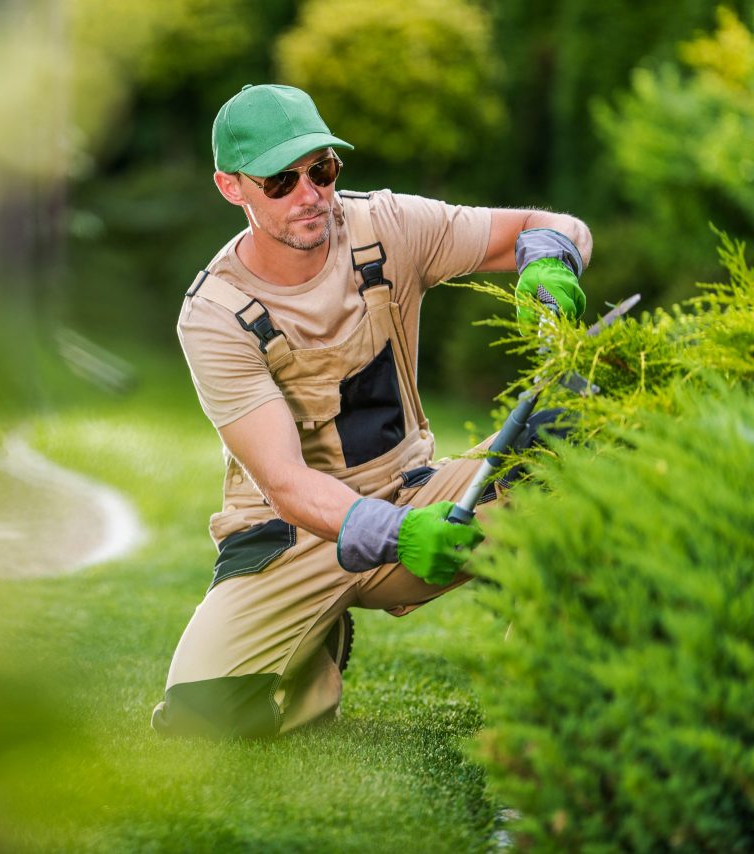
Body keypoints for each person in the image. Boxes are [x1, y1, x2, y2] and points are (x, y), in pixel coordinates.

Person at [150, 84, 591, 739]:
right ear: (231, 187)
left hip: (419, 492)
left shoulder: (387, 226)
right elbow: (286, 484)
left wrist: (549, 264)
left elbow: (554, 225)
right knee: (203, 720)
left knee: (576, 442)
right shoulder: (215, 314)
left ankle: (544, 689)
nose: (310, 194)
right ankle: (315, 643)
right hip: (290, 535)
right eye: (280, 180)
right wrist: (400, 536)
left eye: (321, 169)